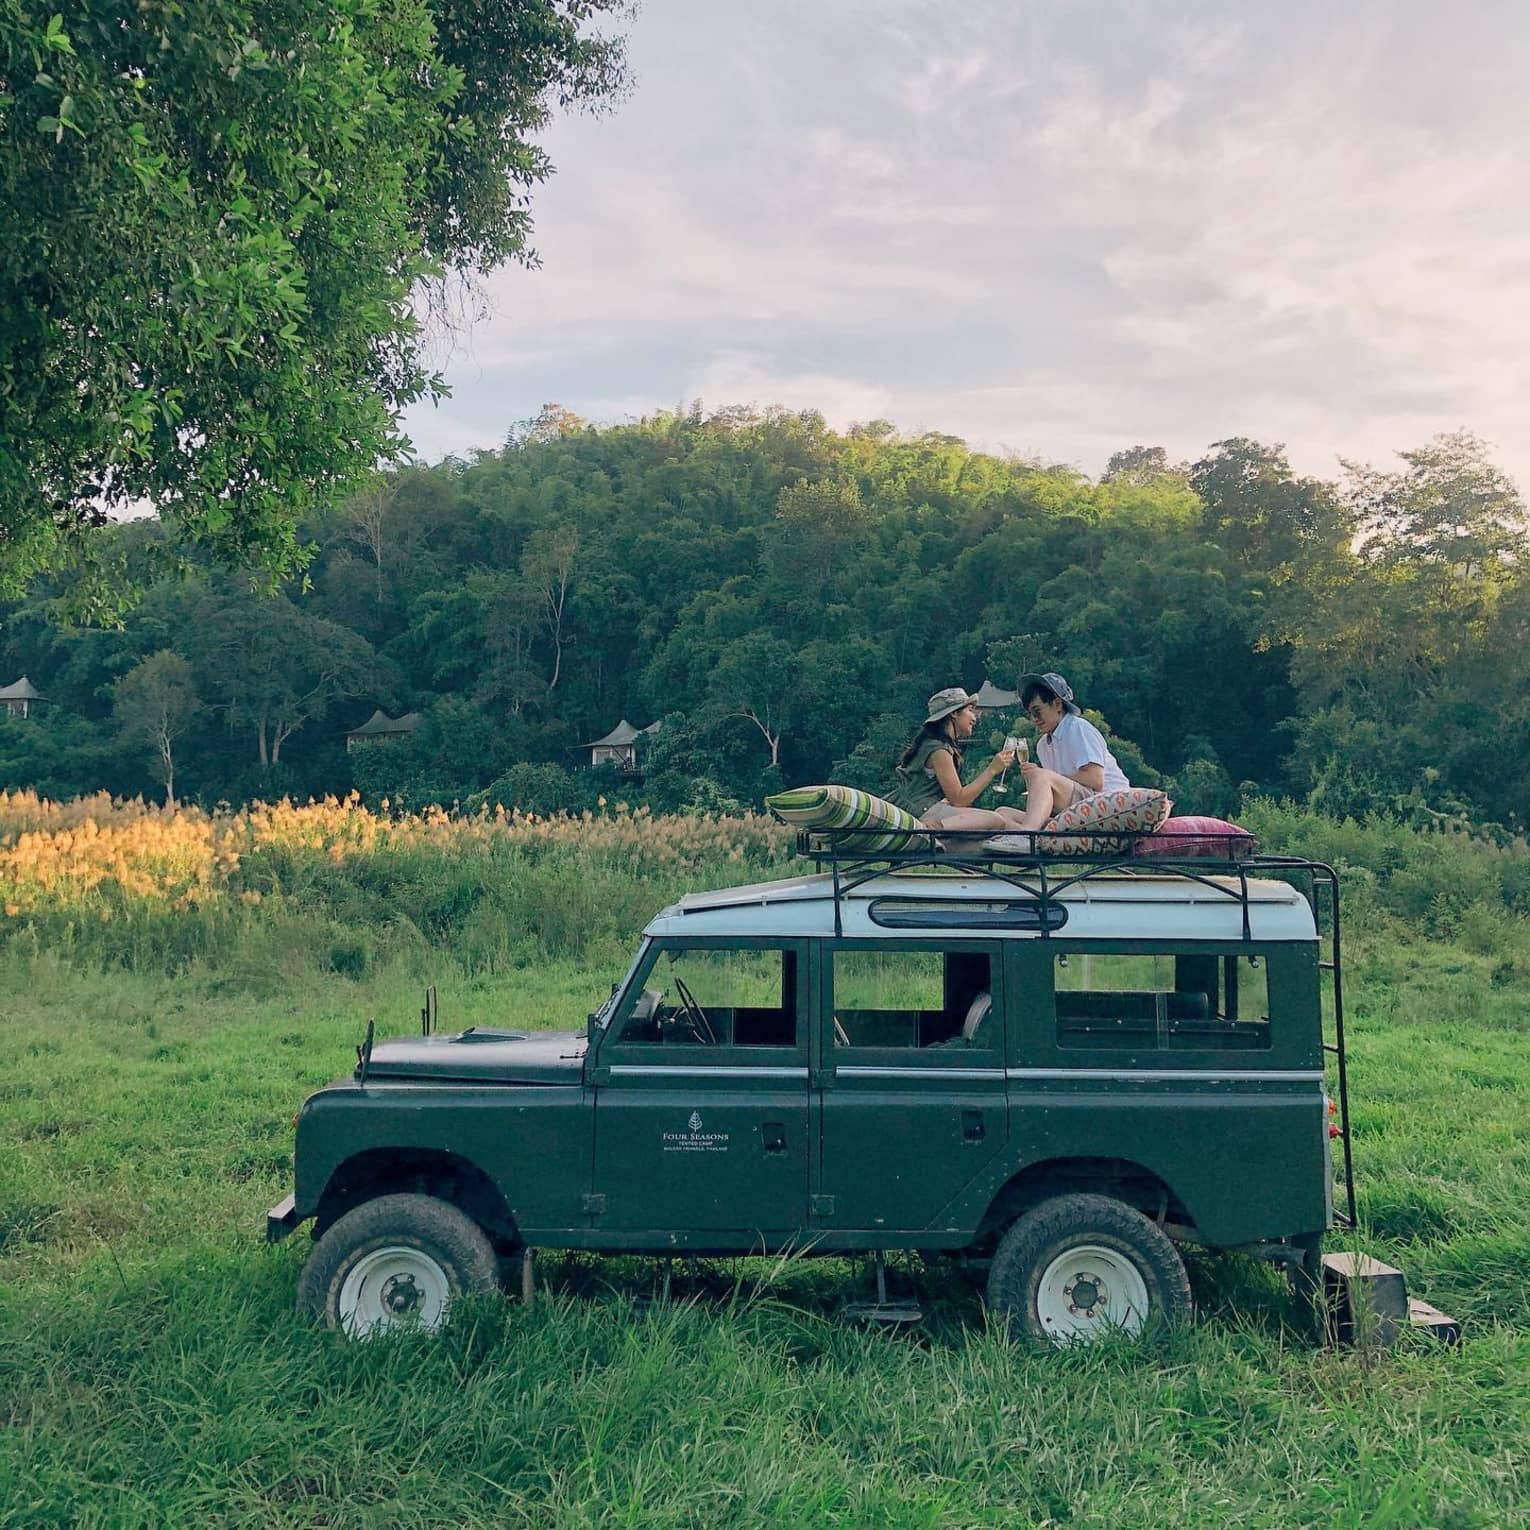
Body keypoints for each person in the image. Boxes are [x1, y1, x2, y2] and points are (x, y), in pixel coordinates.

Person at [890, 687, 1027, 832]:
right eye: (970, 710)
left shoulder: (938, 745)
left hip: (929, 808)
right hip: (923, 811)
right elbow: (959, 800)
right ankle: (932, 829)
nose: (975, 717)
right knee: (995, 819)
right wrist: (992, 770)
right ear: (954, 713)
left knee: (1004, 815)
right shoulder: (939, 750)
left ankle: (1033, 839)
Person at [1012, 671, 1130, 831]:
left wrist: (1044, 776)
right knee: (1002, 814)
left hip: (1107, 801)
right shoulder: (1042, 745)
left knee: (1041, 775)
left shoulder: (1078, 728)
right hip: (1074, 806)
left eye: (1037, 711)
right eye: (1030, 714)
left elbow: (1096, 780)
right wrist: (1035, 780)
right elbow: (1055, 789)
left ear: (1057, 704)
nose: (1034, 719)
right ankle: (1022, 836)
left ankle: (1027, 834)